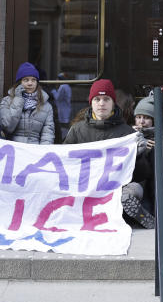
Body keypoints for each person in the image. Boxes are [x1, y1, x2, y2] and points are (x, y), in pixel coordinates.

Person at [64, 79, 155, 228]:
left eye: (106, 99)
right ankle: (119, 215)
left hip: (117, 188)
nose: (101, 103)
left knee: (134, 189)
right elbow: (65, 163)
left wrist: (138, 155)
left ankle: (126, 211)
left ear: (113, 103)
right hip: (85, 188)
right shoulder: (77, 130)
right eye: (97, 99)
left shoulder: (127, 133)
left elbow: (141, 175)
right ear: (91, 102)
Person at [0, 62, 55, 144]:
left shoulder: (46, 106)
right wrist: (18, 99)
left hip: (34, 151)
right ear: (19, 82)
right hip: (13, 149)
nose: (30, 83)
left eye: (33, 80)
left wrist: (43, 152)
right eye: (26, 80)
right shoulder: (7, 101)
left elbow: (48, 134)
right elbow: (8, 127)